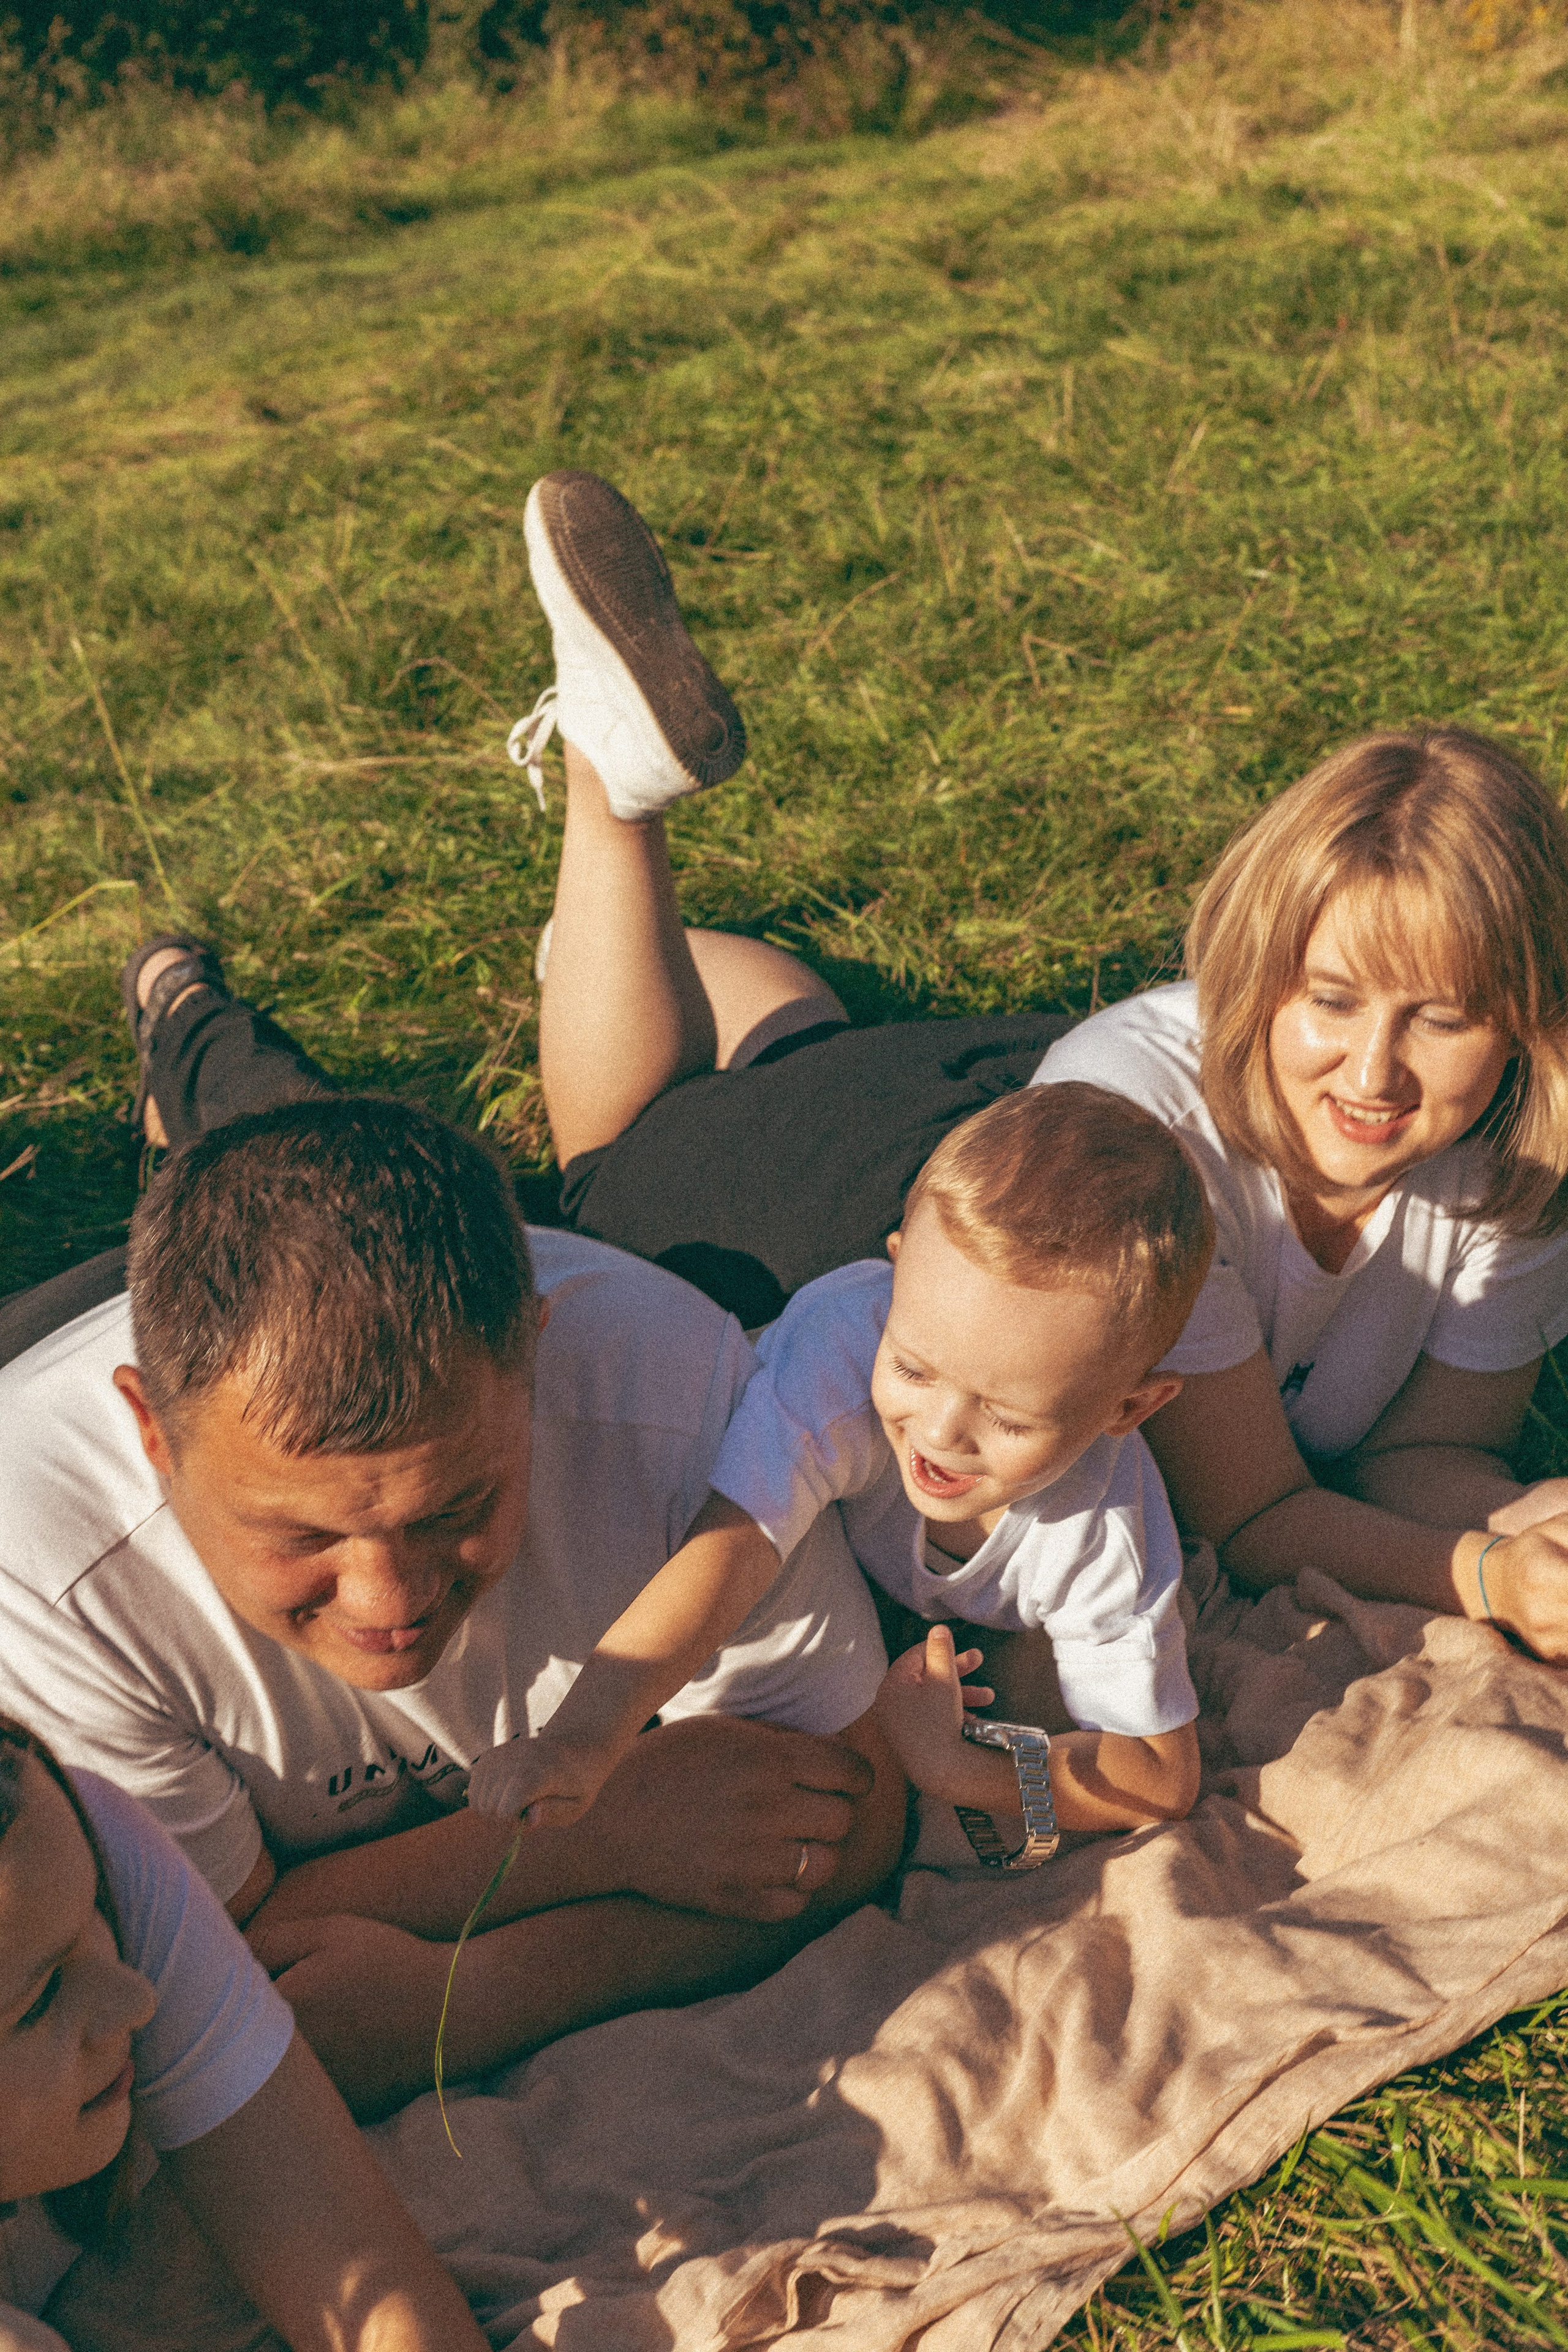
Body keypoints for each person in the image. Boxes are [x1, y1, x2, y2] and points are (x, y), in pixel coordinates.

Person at [504, 472, 1568, 1664]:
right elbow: (1253, 1516)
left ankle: (640, 953)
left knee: (809, 1036)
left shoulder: (1511, 1166)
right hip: (890, 1201)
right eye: (1329, 998)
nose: (1373, 1069)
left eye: (1440, 1019)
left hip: (1008, 1087)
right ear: (1263, 971)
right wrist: (1483, 1575)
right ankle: (612, 795)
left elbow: (1415, 1459)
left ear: (1522, 1021)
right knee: (623, 1159)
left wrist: (1535, 1528)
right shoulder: (1160, 1166)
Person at [0, 1095, 905, 2124]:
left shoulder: (679, 1397)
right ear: (154, 1438)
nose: (388, 1600)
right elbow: (209, 1954)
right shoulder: (33, 1561)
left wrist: (474, 1995)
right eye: (302, 1538)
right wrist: (602, 1829)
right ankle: (181, 1015)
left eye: (457, 1509)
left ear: (537, 1356)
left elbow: (846, 1813)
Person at [469, 1083, 1211, 1839]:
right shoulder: (838, 1354)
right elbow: (734, 1545)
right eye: (914, 1369)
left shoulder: (1097, 1533)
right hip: (721, 1258)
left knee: (1037, 1689)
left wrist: (956, 1768)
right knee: (628, 1143)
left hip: (905, 1616)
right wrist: (584, 1738)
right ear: (895, 1275)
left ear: (1129, 1410)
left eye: (1009, 1418)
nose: (942, 1431)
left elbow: (1161, 1776)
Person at [0, 1714, 488, 2352]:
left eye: (97, 1904)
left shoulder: (50, 1827)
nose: (138, 1999)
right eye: (37, 2004)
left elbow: (366, 2288)